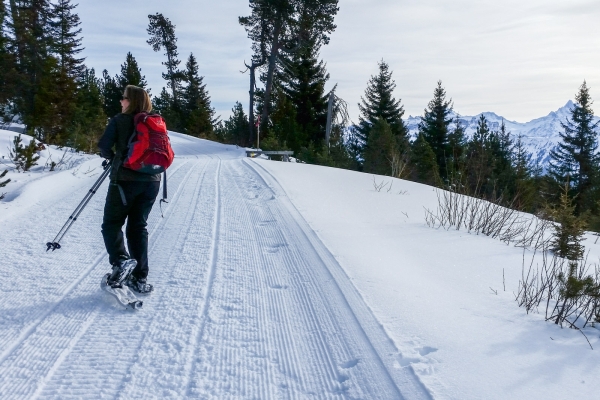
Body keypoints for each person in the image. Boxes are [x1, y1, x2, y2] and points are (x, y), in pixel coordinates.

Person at [98, 85, 160, 294]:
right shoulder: (154, 122)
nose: (121, 101)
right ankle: (140, 278)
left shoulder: (119, 120)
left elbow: (104, 146)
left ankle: (121, 260)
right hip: (152, 181)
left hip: (124, 180)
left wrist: (113, 156)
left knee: (112, 223)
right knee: (137, 227)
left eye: (123, 98)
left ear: (130, 101)